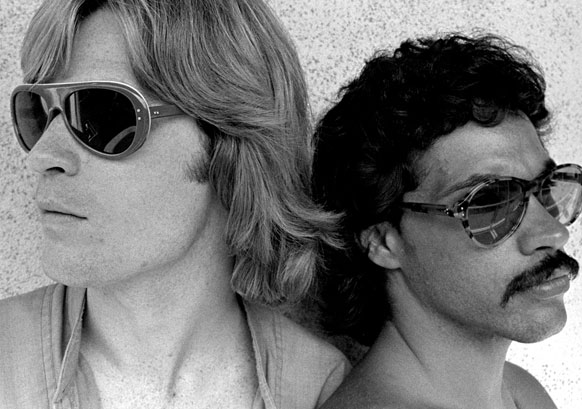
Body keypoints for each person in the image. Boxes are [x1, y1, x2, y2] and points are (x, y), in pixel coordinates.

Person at [0, 0, 350, 408]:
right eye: (38, 112)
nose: (43, 155)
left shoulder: (320, 392)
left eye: (102, 115)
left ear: (230, 144)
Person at [312, 34, 582, 409]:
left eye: (546, 188)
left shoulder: (520, 392)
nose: (554, 233)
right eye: (490, 202)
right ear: (382, 241)